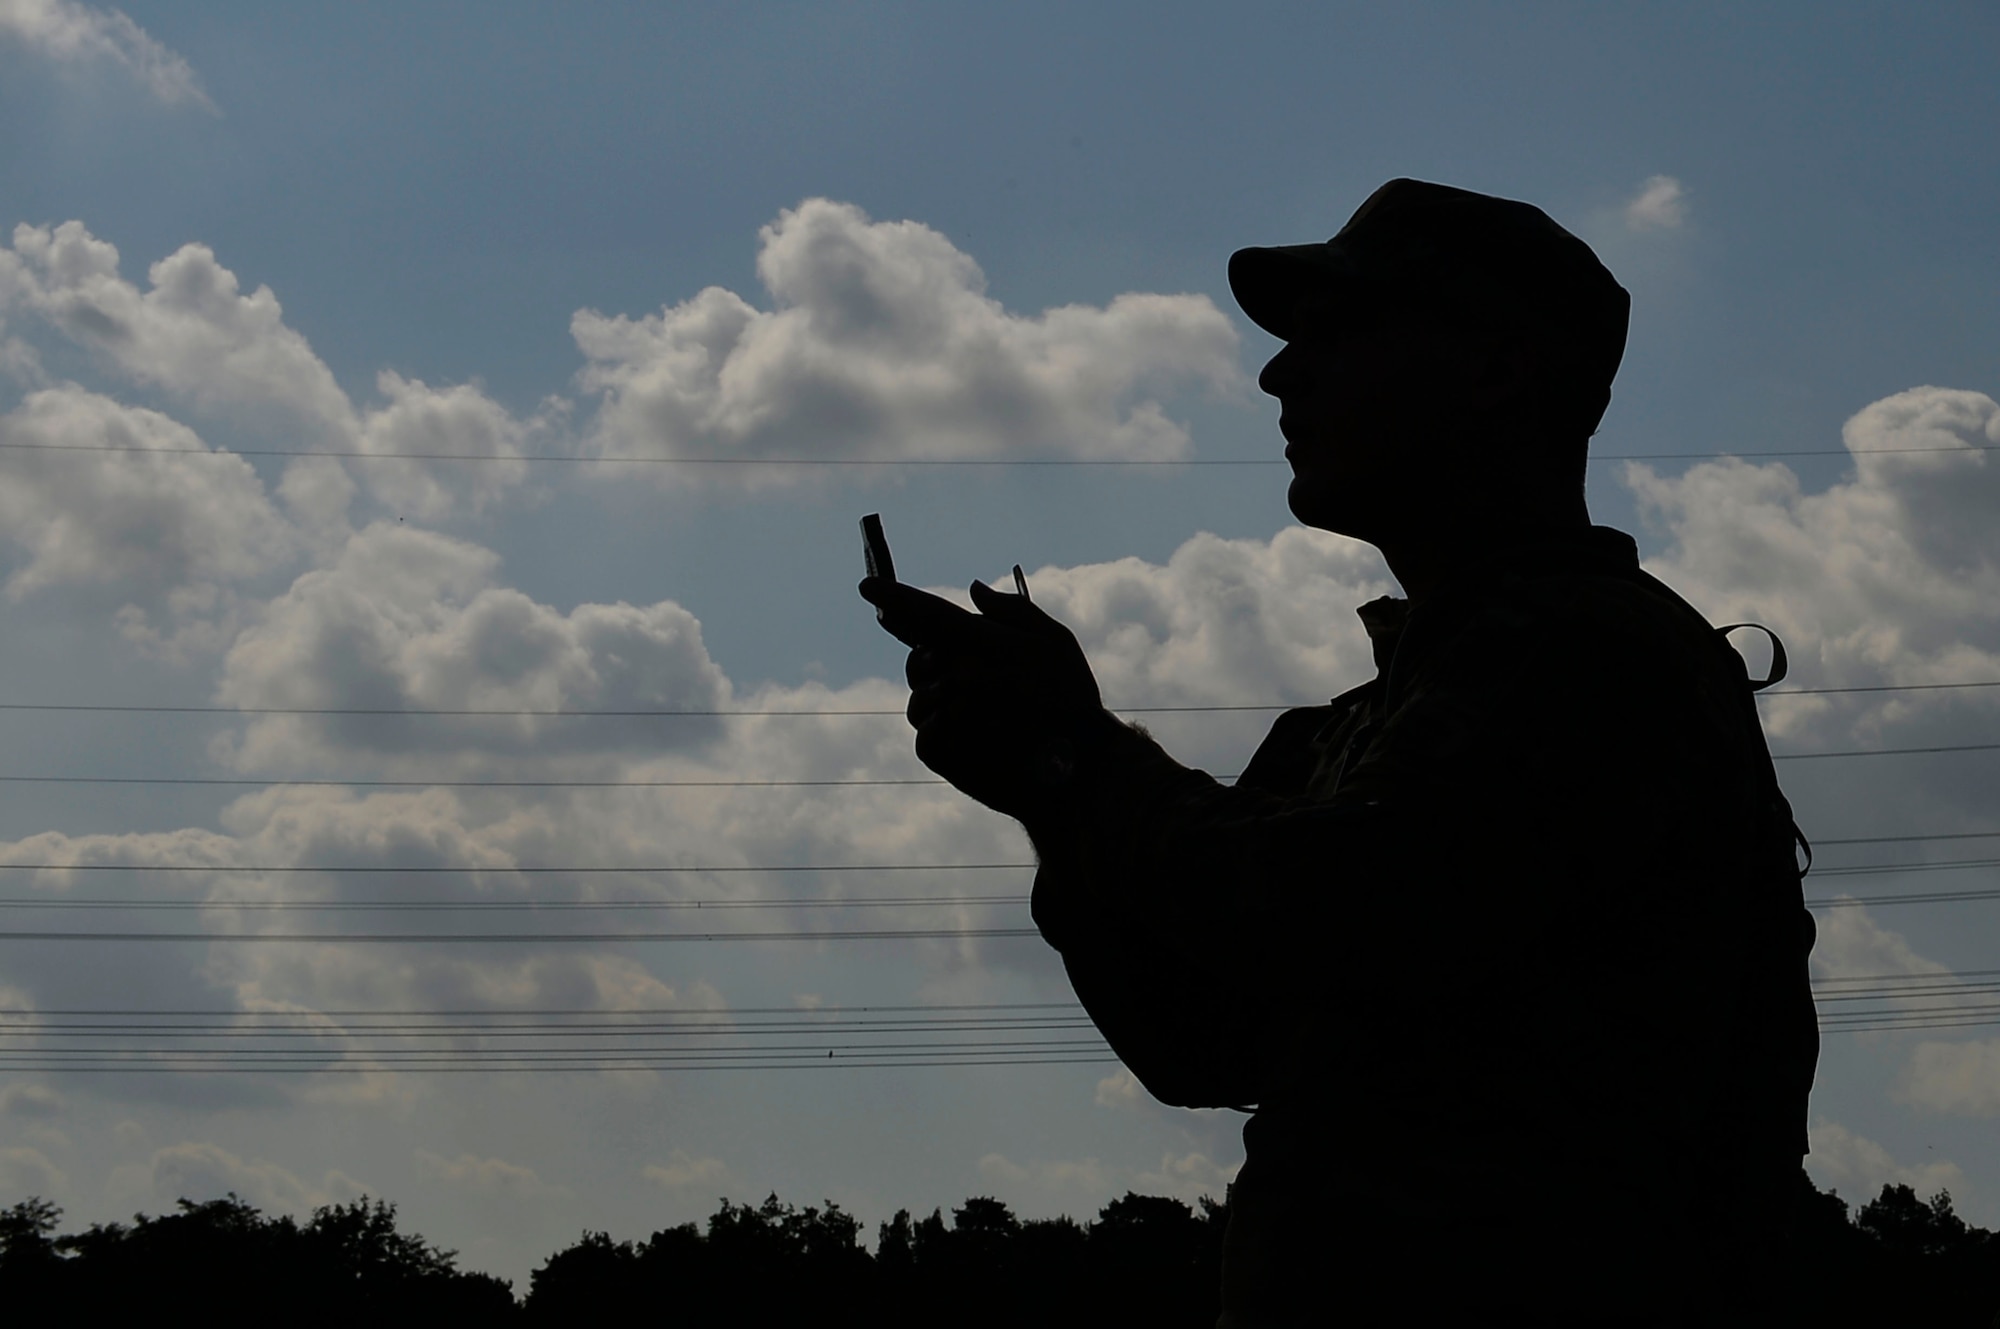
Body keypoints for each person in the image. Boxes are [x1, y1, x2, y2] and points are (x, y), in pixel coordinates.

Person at [860, 179, 1819, 1326]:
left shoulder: (1591, 658)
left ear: (1494, 372)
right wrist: (1046, 795)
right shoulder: (1379, 719)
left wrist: (1073, 756)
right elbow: (1198, 1039)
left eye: (1342, 333)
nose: (1278, 374)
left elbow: (1330, 909)